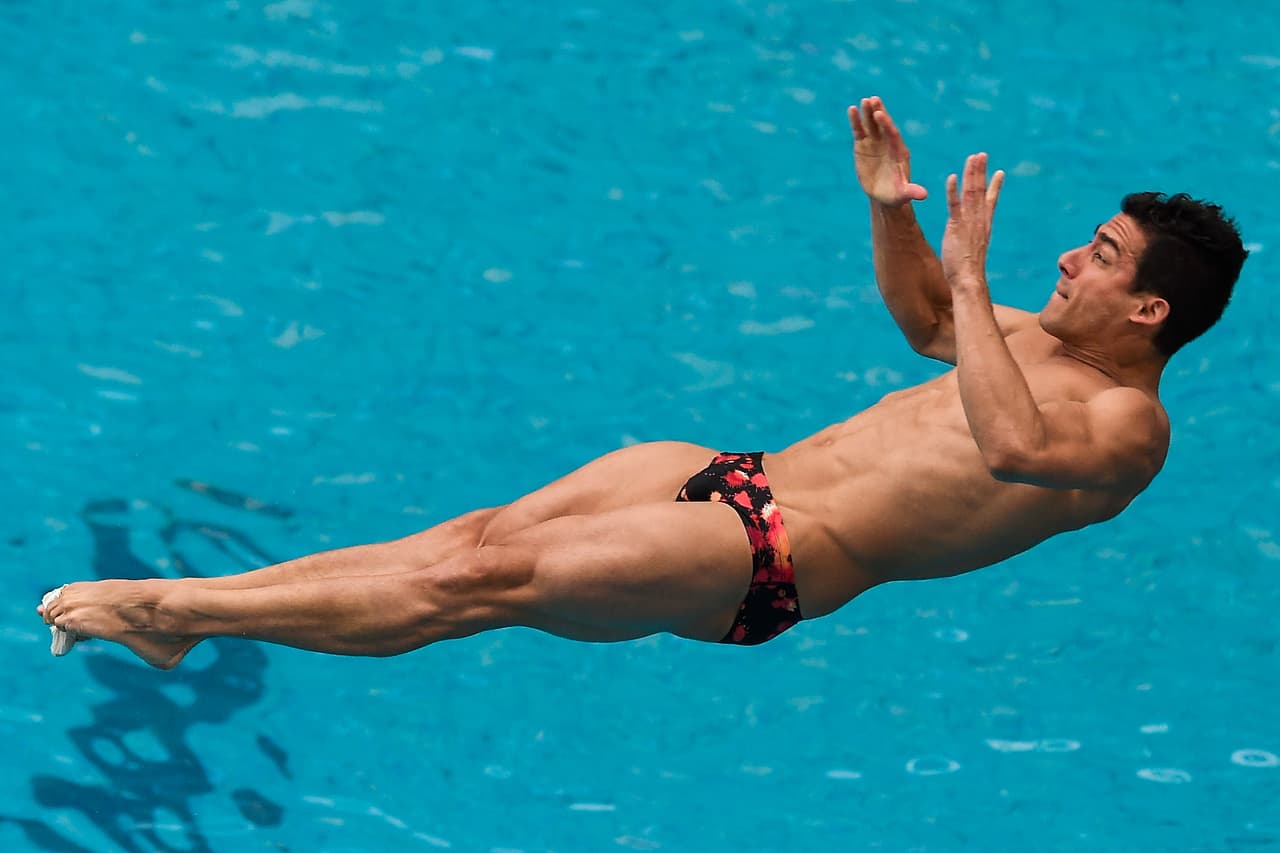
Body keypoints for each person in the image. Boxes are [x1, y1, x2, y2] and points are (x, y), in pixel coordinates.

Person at [38, 97, 1248, 670]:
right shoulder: (1030, 330)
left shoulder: (1125, 427)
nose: (1064, 259)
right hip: (730, 474)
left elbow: (1007, 448)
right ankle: (189, 613)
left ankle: (170, 610)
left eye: (1094, 257)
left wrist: (977, 278)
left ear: (1148, 308)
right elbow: (930, 320)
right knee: (467, 535)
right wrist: (892, 217)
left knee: (475, 583)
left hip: (773, 561)